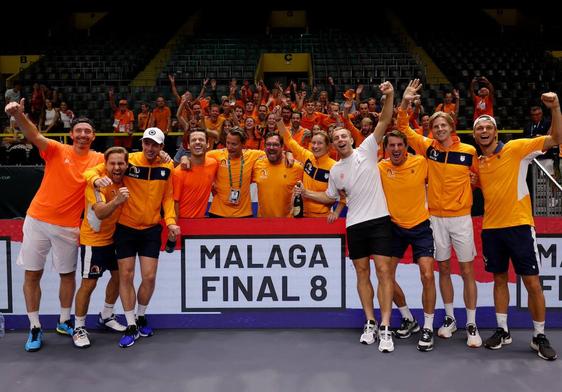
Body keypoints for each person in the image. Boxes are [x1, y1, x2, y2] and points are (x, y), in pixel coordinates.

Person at [296, 81, 396, 352]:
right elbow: (331, 197)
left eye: (344, 136)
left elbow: (385, 119)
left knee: (384, 272)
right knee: (362, 273)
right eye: (336, 138)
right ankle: (370, 322)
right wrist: (306, 193)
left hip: (379, 221)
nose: (341, 139)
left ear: (350, 138)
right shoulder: (335, 170)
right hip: (355, 226)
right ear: (333, 144)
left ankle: (386, 326)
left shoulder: (368, 150)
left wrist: (389, 95)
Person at [5, 98, 104, 352]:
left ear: (93, 136)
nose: (82, 135)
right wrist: (19, 115)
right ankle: (35, 326)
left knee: (67, 275)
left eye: (87, 132)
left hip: (69, 227)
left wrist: (163, 154)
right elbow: (34, 135)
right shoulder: (57, 150)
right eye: (78, 131)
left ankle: (63, 321)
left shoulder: (100, 160)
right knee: (32, 273)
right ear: (72, 134)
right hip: (37, 220)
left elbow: (125, 162)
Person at [473, 92, 561, 361]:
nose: (484, 131)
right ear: (475, 136)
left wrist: (555, 108)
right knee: (499, 280)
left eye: (488, 128)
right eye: (479, 129)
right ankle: (503, 330)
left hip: (520, 226)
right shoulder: (478, 162)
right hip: (491, 229)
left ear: (496, 133)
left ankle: (539, 335)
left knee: (532, 283)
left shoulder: (516, 148)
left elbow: (555, 139)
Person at [398, 79, 482, 348]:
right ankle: (449, 318)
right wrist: (406, 101)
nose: (440, 128)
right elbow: (401, 128)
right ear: (432, 130)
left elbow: (483, 179)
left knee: (467, 270)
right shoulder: (428, 147)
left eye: (443, 124)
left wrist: (473, 182)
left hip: (461, 218)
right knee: (443, 269)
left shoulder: (469, 152)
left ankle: (471, 322)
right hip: (435, 218)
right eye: (435, 126)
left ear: (451, 126)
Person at [86, 127, 180, 348]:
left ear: (161, 147)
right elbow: (97, 170)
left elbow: (168, 198)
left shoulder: (167, 166)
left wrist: (171, 221)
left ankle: (140, 315)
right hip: (126, 228)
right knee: (126, 276)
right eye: (147, 143)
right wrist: (94, 180)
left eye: (155, 144)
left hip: (151, 230)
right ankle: (130, 324)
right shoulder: (129, 161)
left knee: (148, 277)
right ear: (142, 143)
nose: (150, 148)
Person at [378, 130, 437, 351]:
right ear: (386, 148)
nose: (395, 149)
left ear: (406, 146)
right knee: (385, 276)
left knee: (427, 274)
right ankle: (407, 318)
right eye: (391, 145)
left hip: (421, 226)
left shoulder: (421, 162)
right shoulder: (381, 167)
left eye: (399, 145)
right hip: (394, 227)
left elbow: (441, 176)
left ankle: (428, 327)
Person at [72, 147, 129, 348]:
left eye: (121, 163)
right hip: (93, 241)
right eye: (112, 163)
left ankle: (106, 314)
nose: (116, 167)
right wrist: (117, 201)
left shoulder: (126, 178)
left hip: (115, 239)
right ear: (105, 165)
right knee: (89, 284)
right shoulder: (97, 183)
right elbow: (101, 212)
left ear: (126, 165)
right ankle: (79, 327)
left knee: (119, 277)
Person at [205, 127, 265, 218]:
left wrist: (288, 154)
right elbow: (197, 158)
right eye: (227, 143)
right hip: (218, 212)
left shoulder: (252, 155)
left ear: (243, 144)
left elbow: (272, 154)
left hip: (244, 213)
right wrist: (184, 158)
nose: (229, 147)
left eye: (234, 144)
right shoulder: (215, 155)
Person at [253, 132, 304, 217]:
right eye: (268, 144)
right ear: (264, 147)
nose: (271, 147)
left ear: (282, 147)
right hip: (263, 222)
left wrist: (289, 153)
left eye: (275, 144)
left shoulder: (296, 167)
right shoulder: (257, 164)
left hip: (287, 223)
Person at [172, 129, 218, 218]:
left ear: (208, 144)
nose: (197, 142)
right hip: (183, 222)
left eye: (201, 139)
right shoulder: (179, 172)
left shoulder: (214, 164)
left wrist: (214, 183)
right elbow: (174, 202)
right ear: (188, 145)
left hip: (200, 223)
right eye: (193, 140)